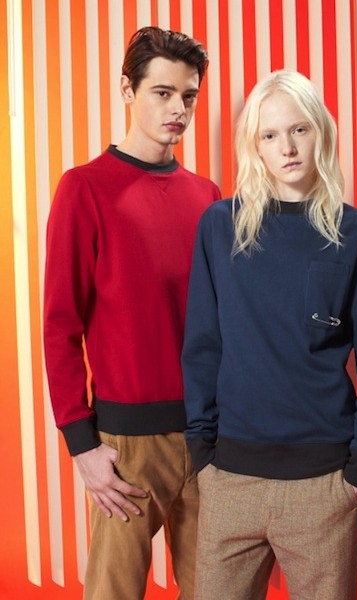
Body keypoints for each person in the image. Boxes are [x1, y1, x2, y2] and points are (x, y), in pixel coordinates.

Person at [182, 70, 357, 600]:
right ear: (254, 145)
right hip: (230, 478)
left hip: (324, 483)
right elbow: (203, 346)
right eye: (271, 134)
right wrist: (202, 454)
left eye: (299, 129)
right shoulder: (219, 227)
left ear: (320, 131)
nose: (288, 147)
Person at [44, 26, 220, 600]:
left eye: (188, 96)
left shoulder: (208, 197)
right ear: (127, 90)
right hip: (126, 445)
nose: (178, 109)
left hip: (210, 436)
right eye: (162, 93)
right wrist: (82, 445)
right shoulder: (84, 189)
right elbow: (60, 325)